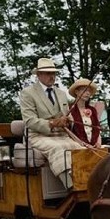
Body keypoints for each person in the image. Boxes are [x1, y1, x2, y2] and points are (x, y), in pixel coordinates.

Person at [19, 57, 82, 189]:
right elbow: (29, 121)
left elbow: (67, 116)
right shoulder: (28, 93)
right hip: (39, 136)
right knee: (58, 149)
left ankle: (85, 181)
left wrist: (69, 121)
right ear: (38, 75)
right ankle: (71, 186)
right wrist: (52, 123)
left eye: (53, 73)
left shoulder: (61, 93)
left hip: (62, 135)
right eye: (48, 73)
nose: (52, 76)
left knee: (81, 149)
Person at [67, 78, 102, 147]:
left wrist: (98, 143)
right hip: (76, 145)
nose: (88, 93)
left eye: (89, 91)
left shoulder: (93, 110)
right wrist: (83, 144)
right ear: (76, 92)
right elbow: (68, 132)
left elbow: (97, 129)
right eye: (85, 90)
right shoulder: (69, 109)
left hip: (94, 146)